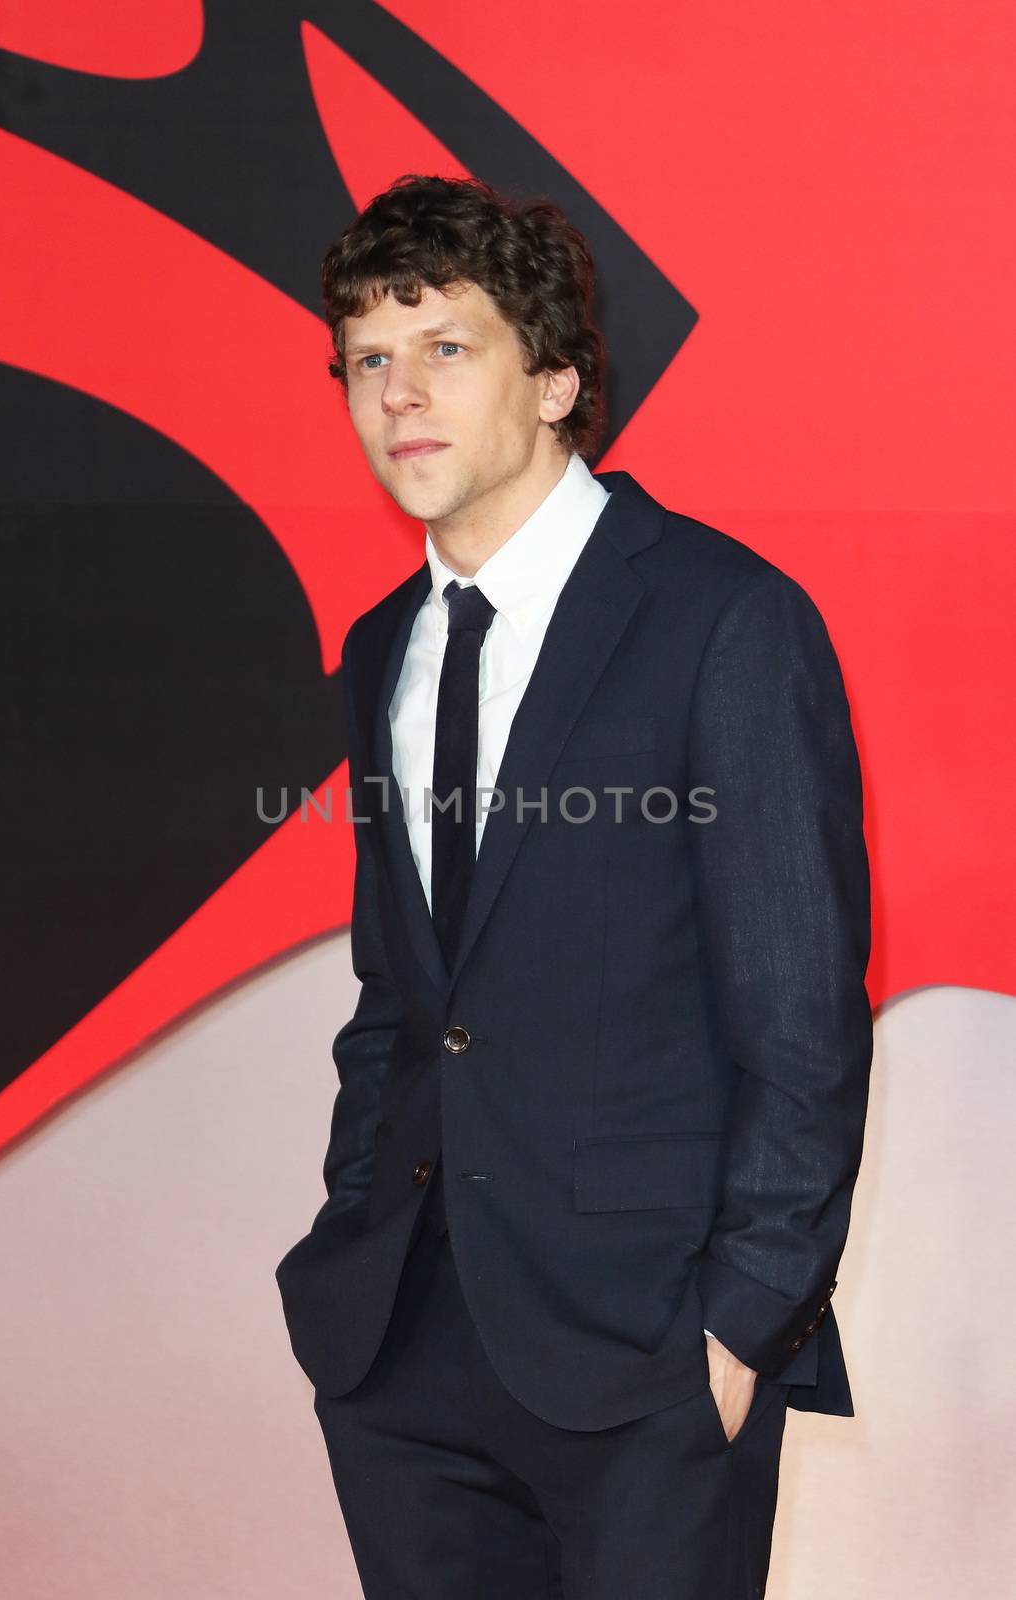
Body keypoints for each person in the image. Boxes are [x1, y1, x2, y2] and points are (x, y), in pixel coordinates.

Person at [276, 173, 873, 1598]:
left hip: (649, 1357)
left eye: (446, 347)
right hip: (403, 1346)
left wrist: (740, 1330)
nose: (398, 394)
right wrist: (352, 1224)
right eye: (368, 358)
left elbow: (801, 1019)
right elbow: (402, 992)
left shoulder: (722, 618)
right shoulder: (381, 651)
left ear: (553, 379)